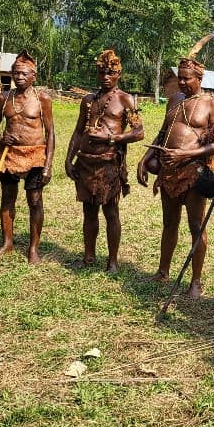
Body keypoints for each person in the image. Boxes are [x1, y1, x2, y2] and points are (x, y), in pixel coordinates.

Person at [135, 35, 214, 300]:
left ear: (199, 78)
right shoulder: (175, 100)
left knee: (196, 226)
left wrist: (187, 153)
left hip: (194, 171)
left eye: (188, 78)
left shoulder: (212, 104)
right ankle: (163, 271)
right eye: (181, 77)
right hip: (168, 171)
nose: (183, 82)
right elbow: (164, 132)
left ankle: (196, 282)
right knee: (169, 223)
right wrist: (146, 158)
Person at [65, 48, 144, 272]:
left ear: (118, 74)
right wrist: (68, 160)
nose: (105, 77)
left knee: (111, 212)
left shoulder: (125, 100)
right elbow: (78, 131)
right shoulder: (88, 100)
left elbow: (139, 132)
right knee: (89, 211)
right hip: (86, 162)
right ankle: (89, 256)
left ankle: (112, 261)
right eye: (101, 73)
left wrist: (112, 138)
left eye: (110, 73)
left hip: (110, 163)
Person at [0, 50, 55, 264]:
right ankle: (7, 243)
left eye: (24, 74)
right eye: (16, 73)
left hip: (35, 155)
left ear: (34, 76)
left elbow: (51, 133)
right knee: (8, 198)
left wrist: (47, 166)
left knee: (34, 200)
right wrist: (0, 139)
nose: (19, 77)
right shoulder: (3, 98)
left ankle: (33, 248)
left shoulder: (42, 98)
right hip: (10, 156)